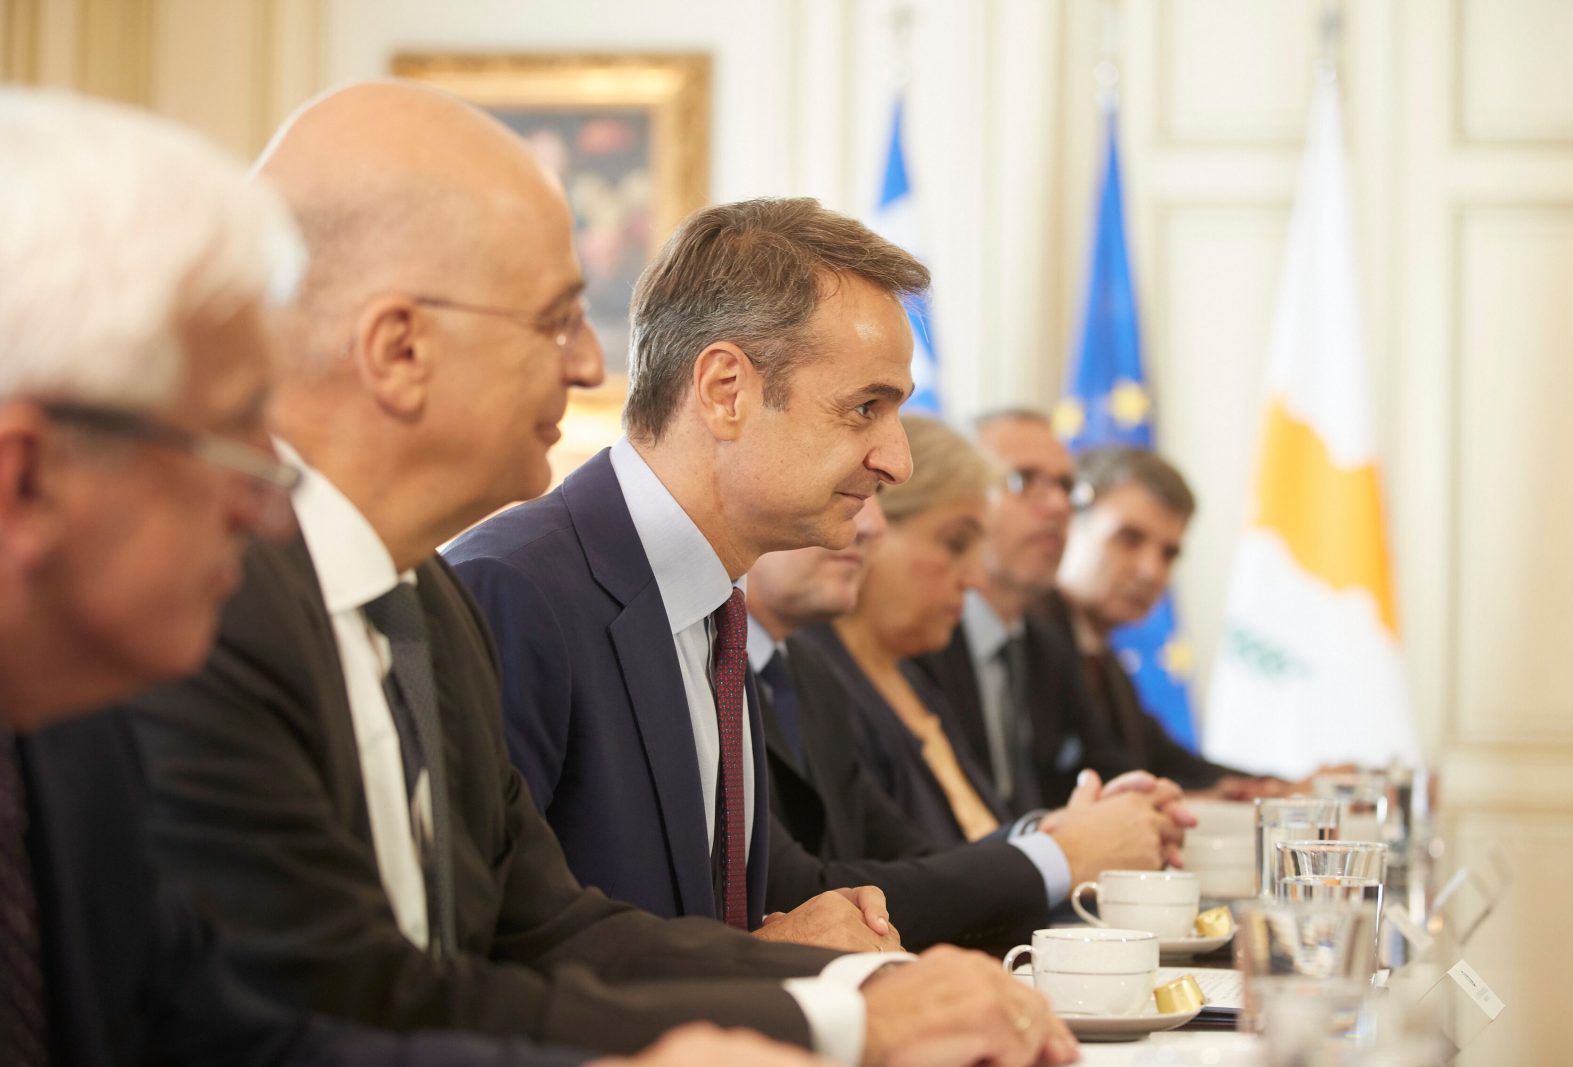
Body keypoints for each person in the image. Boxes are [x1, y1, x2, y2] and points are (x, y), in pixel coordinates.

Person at [117, 81, 1065, 1067]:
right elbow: (313, 1011)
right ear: (399, 348)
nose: (586, 365)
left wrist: (858, 995)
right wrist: (843, 1018)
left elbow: (547, 930)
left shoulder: (428, 602)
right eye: (556, 320)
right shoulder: (213, 606)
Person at [0, 85, 691, 1067]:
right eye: (228, 435)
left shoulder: (69, 729)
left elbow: (238, 1038)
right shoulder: (148, 681)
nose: (273, 497)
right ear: (26, 480)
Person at [445, 197, 1076, 1066]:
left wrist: (823, 938)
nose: (896, 460)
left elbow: (732, 911)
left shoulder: (720, 608)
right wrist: (805, 976)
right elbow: (494, 957)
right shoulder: (513, 590)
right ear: (726, 390)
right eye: (865, 407)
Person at [747, 486, 1188, 954]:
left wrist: (1060, 833)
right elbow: (798, 897)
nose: (871, 526)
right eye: (955, 544)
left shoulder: (807, 670)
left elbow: (916, 856)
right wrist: (1064, 853)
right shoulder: (770, 664)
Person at [916, 410, 1148, 808]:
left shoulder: (1047, 647)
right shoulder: (918, 638)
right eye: (1022, 480)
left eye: (1066, 486)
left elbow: (1111, 770)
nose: (1058, 506)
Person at [1043, 445, 1288, 797]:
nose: (1151, 571)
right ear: (1068, 524)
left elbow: (1173, 766)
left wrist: (1285, 789)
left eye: (1168, 554)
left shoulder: (1102, 660)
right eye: (1129, 539)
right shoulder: (1030, 644)